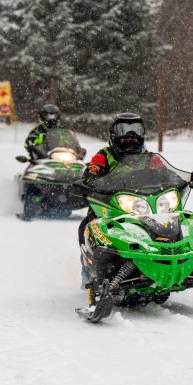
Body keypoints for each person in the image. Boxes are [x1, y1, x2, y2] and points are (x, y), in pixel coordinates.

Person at [78, 112, 150, 287]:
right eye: (124, 130)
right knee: (89, 224)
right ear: (113, 134)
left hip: (145, 203)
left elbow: (165, 172)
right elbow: (92, 169)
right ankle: (92, 272)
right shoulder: (104, 156)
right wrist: (90, 178)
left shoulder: (148, 158)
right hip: (108, 202)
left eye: (135, 130)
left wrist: (184, 180)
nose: (130, 137)